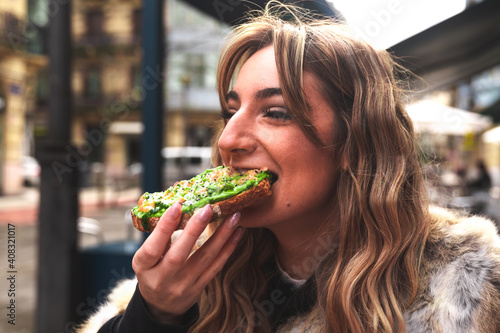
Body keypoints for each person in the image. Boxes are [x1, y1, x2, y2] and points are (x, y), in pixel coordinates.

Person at [77, 3, 500, 332]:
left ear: (356, 143)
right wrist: (154, 316)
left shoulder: (467, 292)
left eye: (276, 113)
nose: (227, 140)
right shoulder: (196, 283)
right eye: (231, 112)